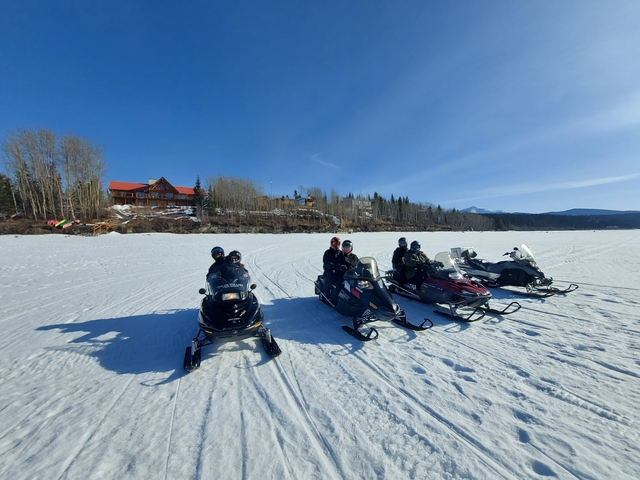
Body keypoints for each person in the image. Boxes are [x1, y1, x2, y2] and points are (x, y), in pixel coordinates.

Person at [322, 236, 349, 304]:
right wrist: (332, 266)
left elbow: (344, 261)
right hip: (330, 270)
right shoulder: (328, 252)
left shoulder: (341, 253)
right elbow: (326, 262)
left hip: (339, 270)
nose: (336, 245)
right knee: (330, 276)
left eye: (337, 243)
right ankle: (327, 293)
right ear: (331, 243)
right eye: (334, 243)